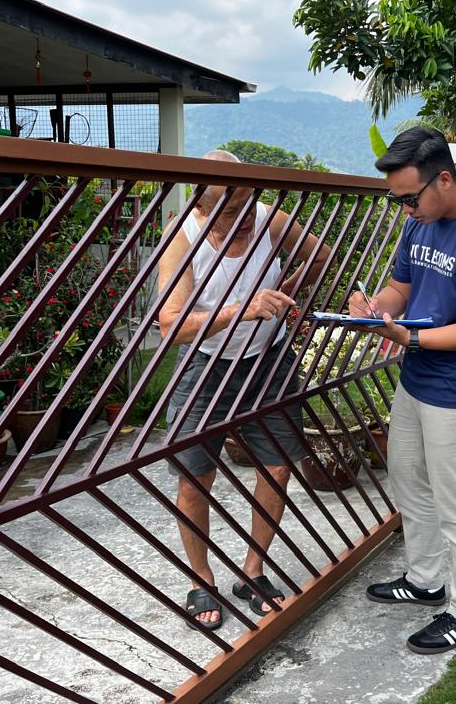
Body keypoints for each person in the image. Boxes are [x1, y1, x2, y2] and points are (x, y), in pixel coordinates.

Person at [347, 127, 456, 654]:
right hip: (416, 379)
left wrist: (412, 338)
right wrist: (376, 309)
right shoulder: (418, 225)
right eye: (397, 200)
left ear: (444, 179)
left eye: (409, 198)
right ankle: (425, 581)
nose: (405, 209)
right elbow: (400, 289)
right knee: (406, 478)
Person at [157, 150, 328, 631]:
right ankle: (201, 580)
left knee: (277, 468)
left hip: (268, 361)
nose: (246, 218)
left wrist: (285, 290)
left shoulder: (270, 219)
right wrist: (243, 308)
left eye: (250, 204)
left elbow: (321, 255)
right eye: (232, 212)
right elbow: (170, 325)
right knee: (194, 478)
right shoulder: (183, 238)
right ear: (203, 207)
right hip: (204, 366)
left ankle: (252, 572)